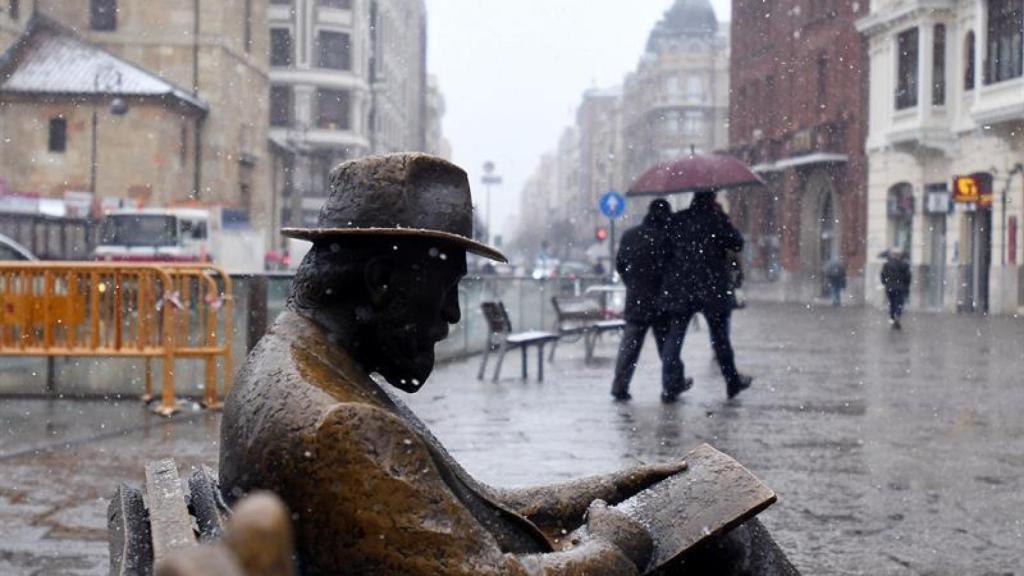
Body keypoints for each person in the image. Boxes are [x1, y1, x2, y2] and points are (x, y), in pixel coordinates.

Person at [208, 155, 795, 575]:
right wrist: (616, 547)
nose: (452, 316)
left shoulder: (295, 359)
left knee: (721, 531)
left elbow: (472, 503)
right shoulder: (341, 426)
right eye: (444, 288)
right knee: (732, 544)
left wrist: (613, 487)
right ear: (381, 282)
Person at [660, 190, 753, 400]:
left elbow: (664, 250)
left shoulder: (678, 220)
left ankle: (668, 386)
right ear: (711, 200)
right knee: (721, 340)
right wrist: (724, 223)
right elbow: (737, 242)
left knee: (674, 340)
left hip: (682, 288)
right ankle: (732, 382)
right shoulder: (716, 220)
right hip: (712, 288)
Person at [610, 199, 691, 401]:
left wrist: (632, 283)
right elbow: (677, 269)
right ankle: (673, 384)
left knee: (629, 349)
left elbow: (620, 265)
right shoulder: (668, 237)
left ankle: (620, 387)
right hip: (661, 303)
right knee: (667, 349)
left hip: (637, 301)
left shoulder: (630, 235)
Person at [880, 248, 912, 329]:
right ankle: (897, 315)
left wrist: (885, 283)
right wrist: (906, 285)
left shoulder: (887, 264)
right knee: (899, 303)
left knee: (892, 303)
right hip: (900, 287)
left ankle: (892, 317)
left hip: (890, 288)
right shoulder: (904, 265)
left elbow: (883, 275)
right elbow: (908, 277)